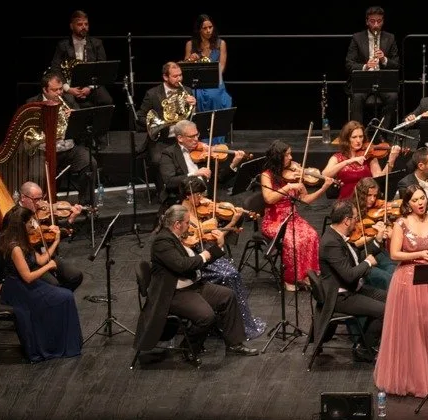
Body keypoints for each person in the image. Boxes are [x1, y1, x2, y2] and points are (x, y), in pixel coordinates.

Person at [135, 205, 263, 364]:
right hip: (173, 294)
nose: (190, 226)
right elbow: (182, 265)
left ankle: (234, 344)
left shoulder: (176, 237)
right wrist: (207, 253)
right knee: (206, 316)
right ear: (177, 224)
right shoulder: (162, 242)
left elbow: (195, 263)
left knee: (227, 296)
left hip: (193, 287)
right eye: (188, 223)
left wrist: (217, 247)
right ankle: (188, 348)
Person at [375, 187, 428, 396]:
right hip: (408, 280)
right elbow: (394, 254)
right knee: (412, 329)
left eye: (422, 198)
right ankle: (411, 378)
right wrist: (420, 254)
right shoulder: (401, 223)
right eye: (415, 200)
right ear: (408, 203)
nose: (420, 203)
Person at [178, 176, 265, 340]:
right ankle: (225, 324)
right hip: (195, 259)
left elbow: (214, 238)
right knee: (228, 275)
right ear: (188, 195)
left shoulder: (201, 209)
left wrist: (232, 221)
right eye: (198, 195)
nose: (202, 199)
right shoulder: (181, 214)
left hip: (208, 252)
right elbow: (186, 244)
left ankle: (239, 323)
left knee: (233, 273)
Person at [0, 207, 82, 361]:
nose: (33, 225)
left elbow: (40, 260)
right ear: (21, 225)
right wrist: (49, 266)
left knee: (64, 296)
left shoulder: (23, 241)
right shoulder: (15, 248)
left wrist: (56, 242)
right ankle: (55, 344)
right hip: (19, 288)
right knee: (65, 297)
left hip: (26, 285)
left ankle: (60, 340)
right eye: (29, 222)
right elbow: (27, 277)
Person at [259, 139, 331, 291]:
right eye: (287, 155)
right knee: (293, 241)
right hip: (274, 221)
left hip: (293, 217)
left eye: (290, 154)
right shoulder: (267, 175)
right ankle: (291, 279)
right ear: (278, 157)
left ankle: (307, 276)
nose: (291, 158)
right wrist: (289, 186)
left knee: (311, 235)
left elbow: (305, 200)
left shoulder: (295, 172)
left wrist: (323, 188)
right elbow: (269, 198)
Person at [320, 201, 388, 362]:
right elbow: (349, 275)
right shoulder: (331, 243)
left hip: (353, 288)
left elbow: (357, 257)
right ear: (347, 220)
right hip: (341, 296)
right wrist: (368, 263)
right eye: (355, 218)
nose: (357, 221)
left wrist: (377, 241)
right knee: (384, 310)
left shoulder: (338, 237)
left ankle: (367, 341)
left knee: (390, 298)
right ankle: (365, 349)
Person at [33, 70, 97, 206]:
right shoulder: (33, 103)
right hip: (44, 152)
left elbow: (82, 129)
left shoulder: (69, 100)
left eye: (61, 89)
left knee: (89, 162)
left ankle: (85, 205)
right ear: (45, 90)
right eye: (54, 90)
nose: (59, 93)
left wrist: (76, 118)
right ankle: (47, 206)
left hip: (68, 149)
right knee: (38, 174)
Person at [155, 119, 249, 208]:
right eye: (191, 136)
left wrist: (234, 163)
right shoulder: (169, 153)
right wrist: (195, 174)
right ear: (180, 138)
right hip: (182, 200)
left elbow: (220, 179)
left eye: (197, 135)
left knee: (236, 215)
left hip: (206, 199)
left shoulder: (204, 152)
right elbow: (170, 182)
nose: (196, 139)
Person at [16, 182, 83, 291]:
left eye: (40, 199)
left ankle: (60, 300)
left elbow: (52, 235)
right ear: (23, 197)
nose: (39, 203)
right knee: (54, 286)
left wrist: (70, 220)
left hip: (47, 253)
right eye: (35, 199)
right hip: (31, 261)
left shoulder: (41, 213)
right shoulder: (17, 216)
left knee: (76, 276)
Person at [346, 6, 401, 125]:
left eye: (379, 21)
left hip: (383, 81)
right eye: (372, 21)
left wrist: (384, 59)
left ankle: (382, 133)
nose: (376, 25)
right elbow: (349, 64)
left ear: (383, 21)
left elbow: (396, 64)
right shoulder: (357, 38)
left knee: (393, 96)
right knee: (357, 97)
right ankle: (358, 133)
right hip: (363, 80)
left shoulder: (390, 38)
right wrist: (365, 66)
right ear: (367, 21)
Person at [48, 9, 114, 108]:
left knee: (107, 101)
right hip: (70, 86)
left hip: (90, 85)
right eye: (80, 24)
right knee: (69, 104)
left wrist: (89, 87)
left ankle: (98, 124)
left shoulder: (96, 44)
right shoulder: (63, 45)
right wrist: (67, 88)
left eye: (86, 24)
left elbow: (101, 68)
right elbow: (55, 68)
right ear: (71, 26)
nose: (84, 27)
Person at [323, 121, 402, 200]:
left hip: (366, 202)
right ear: (347, 139)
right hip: (346, 202)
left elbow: (380, 179)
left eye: (361, 137)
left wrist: (391, 160)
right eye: (354, 137)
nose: (358, 140)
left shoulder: (369, 156)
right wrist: (348, 161)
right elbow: (325, 174)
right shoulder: (337, 157)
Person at [140, 61, 197, 167]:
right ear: (165, 77)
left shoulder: (187, 91)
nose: (179, 79)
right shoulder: (152, 94)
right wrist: (154, 124)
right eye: (175, 76)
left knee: (197, 158)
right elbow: (140, 116)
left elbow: (192, 118)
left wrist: (193, 107)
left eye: (180, 75)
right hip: (161, 140)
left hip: (182, 139)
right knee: (159, 161)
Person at [349, 177, 399, 291]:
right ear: (361, 195)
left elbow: (392, 207)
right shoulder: (351, 211)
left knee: (395, 271)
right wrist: (374, 235)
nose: (372, 199)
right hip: (361, 255)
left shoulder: (378, 205)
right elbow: (354, 243)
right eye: (369, 195)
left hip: (378, 251)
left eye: (375, 196)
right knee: (386, 278)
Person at [183, 13, 233, 114]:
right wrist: (191, 60)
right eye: (204, 28)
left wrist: (210, 74)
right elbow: (184, 66)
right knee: (193, 95)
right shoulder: (190, 44)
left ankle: (216, 125)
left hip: (214, 81)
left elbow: (222, 68)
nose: (208, 30)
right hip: (196, 82)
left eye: (210, 27)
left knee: (214, 96)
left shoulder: (221, 44)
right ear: (199, 30)